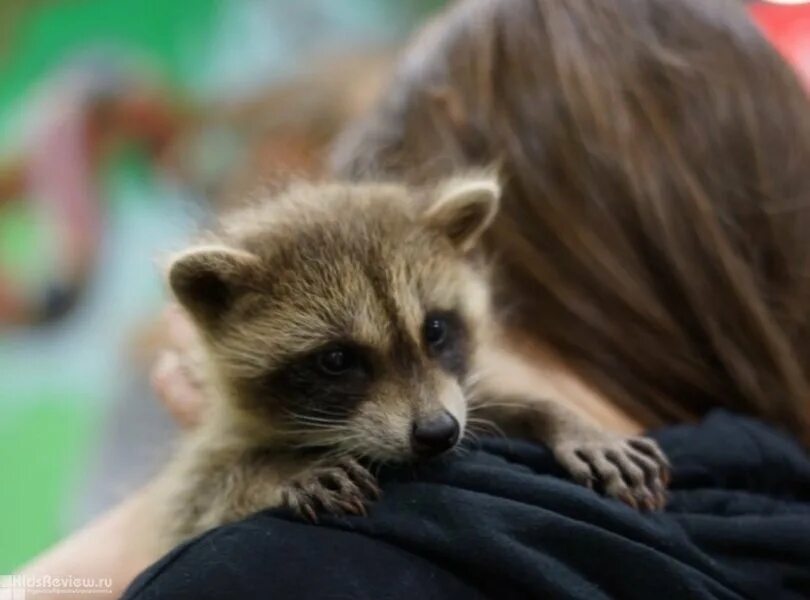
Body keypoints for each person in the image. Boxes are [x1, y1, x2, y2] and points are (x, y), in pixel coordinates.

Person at [20, 0, 810, 597]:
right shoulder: (773, 508)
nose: (433, 414)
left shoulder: (285, 571)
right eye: (339, 363)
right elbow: (213, 488)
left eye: (437, 338)